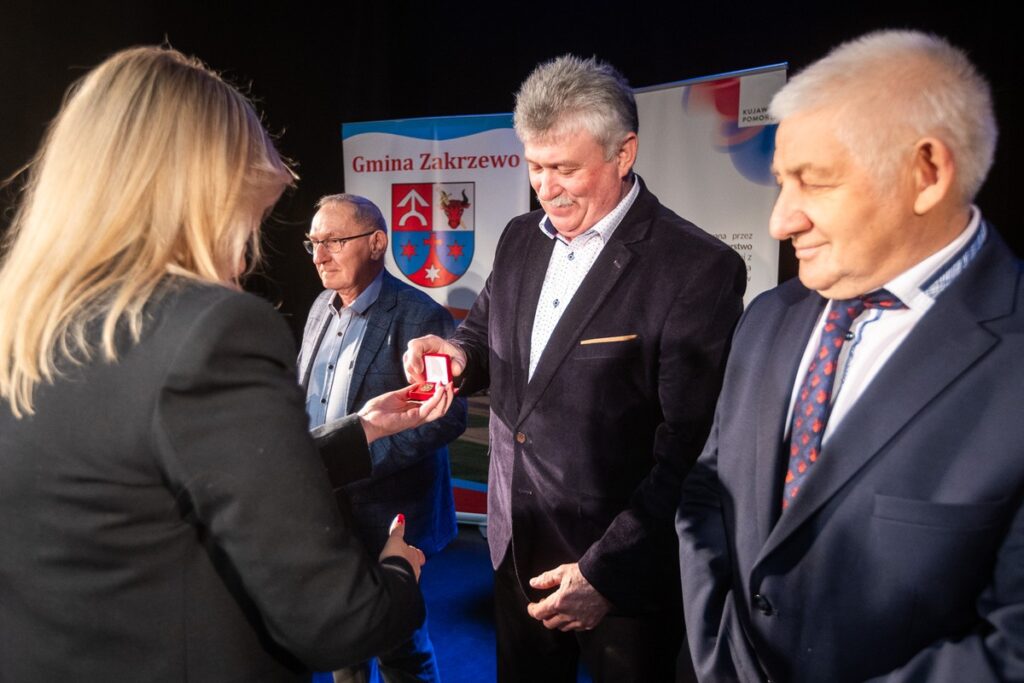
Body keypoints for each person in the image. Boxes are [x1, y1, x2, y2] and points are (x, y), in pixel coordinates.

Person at [0, 46, 456, 682]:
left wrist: (366, 429)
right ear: (205, 190)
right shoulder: (214, 329)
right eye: (253, 210)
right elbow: (337, 620)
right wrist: (399, 568)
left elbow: (187, 476)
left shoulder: (27, 319)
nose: (248, 245)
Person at [676, 30, 1024, 682]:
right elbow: (707, 495)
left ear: (927, 172)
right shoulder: (767, 319)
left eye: (814, 181)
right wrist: (719, 655)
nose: (781, 220)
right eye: (781, 181)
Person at [405, 55, 746, 682]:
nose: (547, 187)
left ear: (624, 153)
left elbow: (692, 448)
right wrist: (455, 356)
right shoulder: (518, 238)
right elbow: (484, 338)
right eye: (535, 167)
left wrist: (605, 571)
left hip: (619, 577)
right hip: (512, 547)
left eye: (565, 168)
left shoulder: (696, 270)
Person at [298, 193, 467, 683]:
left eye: (333, 241)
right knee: (344, 644)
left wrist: (360, 458)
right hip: (325, 508)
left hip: (389, 512)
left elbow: (445, 418)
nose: (319, 255)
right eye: (313, 242)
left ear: (376, 243)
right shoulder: (318, 308)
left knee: (401, 649)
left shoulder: (418, 315)